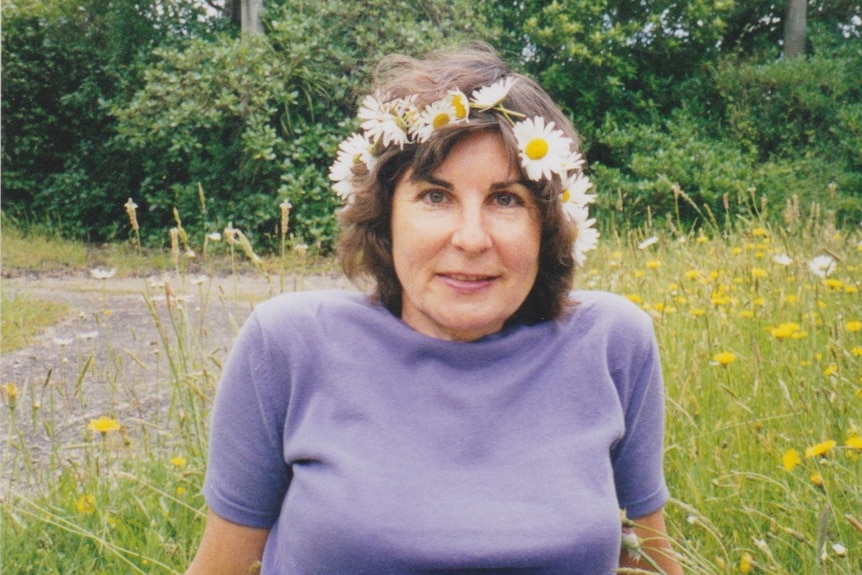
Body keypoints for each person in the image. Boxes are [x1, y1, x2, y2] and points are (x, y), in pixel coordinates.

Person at [186, 42, 683, 575]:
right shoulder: (287, 345)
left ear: (548, 224)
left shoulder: (612, 343)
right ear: (385, 216)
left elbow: (646, 559)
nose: (471, 238)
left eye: (506, 199)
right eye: (435, 196)